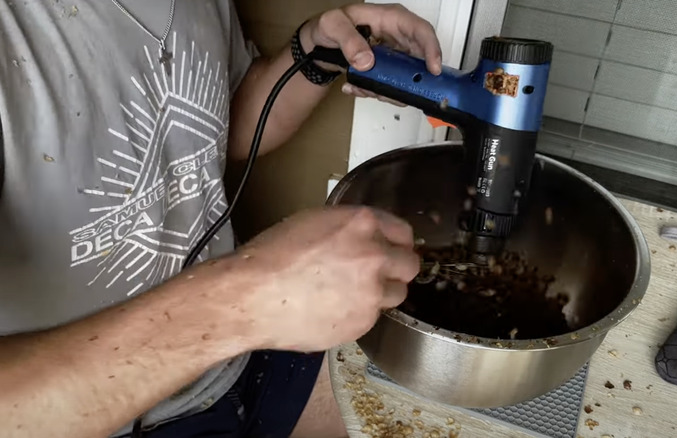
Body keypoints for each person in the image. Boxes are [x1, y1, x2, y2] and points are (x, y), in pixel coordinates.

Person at [0, 1, 442, 437]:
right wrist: (246, 300)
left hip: (238, 361)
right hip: (85, 413)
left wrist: (315, 54)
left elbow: (217, 126)